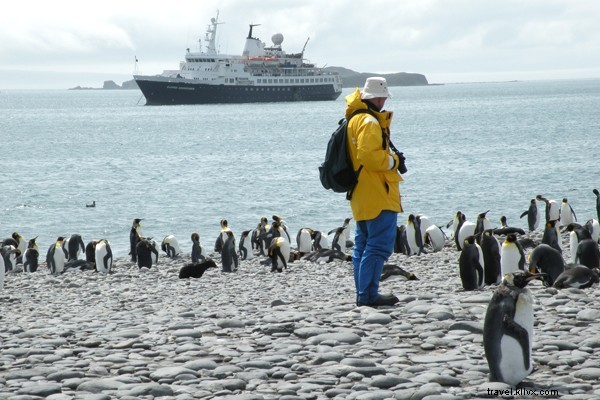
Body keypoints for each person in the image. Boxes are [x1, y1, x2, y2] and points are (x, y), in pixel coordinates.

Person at [345, 77, 404, 307]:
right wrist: (394, 161)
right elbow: (368, 157)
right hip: (377, 192)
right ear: (378, 97)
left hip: (360, 192)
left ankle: (363, 293)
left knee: (363, 244)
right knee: (378, 245)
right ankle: (368, 296)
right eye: (384, 98)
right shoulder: (369, 122)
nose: (385, 102)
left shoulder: (353, 119)